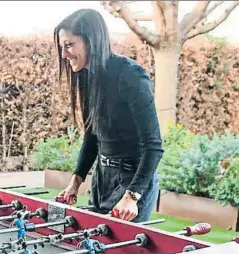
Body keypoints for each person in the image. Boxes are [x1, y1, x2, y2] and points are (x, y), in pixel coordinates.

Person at [53, 9, 163, 223]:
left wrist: (132, 196)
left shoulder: (131, 75)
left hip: (133, 181)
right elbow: (92, 134)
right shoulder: (87, 76)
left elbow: (154, 145)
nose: (64, 55)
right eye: (62, 47)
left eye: (69, 45)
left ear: (91, 41)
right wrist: (76, 181)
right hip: (102, 177)